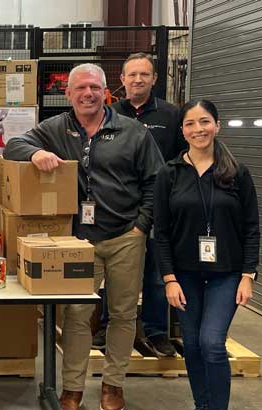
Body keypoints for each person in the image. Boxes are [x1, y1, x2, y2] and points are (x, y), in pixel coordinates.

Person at [4, 63, 163, 410]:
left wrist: (141, 227)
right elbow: (12, 145)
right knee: (76, 314)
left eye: (94, 87)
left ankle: (113, 384)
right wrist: (35, 153)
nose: (87, 94)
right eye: (80, 88)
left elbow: (156, 182)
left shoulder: (132, 132)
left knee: (123, 314)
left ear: (106, 91)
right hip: (79, 241)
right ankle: (72, 389)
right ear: (69, 93)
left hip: (125, 237)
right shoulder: (56, 128)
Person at [154, 99, 259, 410]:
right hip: (184, 275)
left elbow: (251, 228)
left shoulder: (236, 173)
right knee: (193, 344)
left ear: (217, 125)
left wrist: (248, 275)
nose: (198, 129)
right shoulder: (169, 174)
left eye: (204, 121)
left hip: (226, 274)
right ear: (182, 131)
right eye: (190, 124)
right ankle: (203, 408)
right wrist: (169, 278)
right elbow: (161, 232)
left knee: (212, 343)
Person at [91, 52, 188, 357]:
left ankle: (156, 332)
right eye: (131, 75)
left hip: (158, 207)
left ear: (154, 79)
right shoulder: (107, 114)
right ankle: (108, 326)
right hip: (117, 209)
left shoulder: (171, 116)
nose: (137, 80)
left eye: (144, 74)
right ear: (122, 79)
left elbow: (183, 158)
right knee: (115, 273)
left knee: (156, 274)